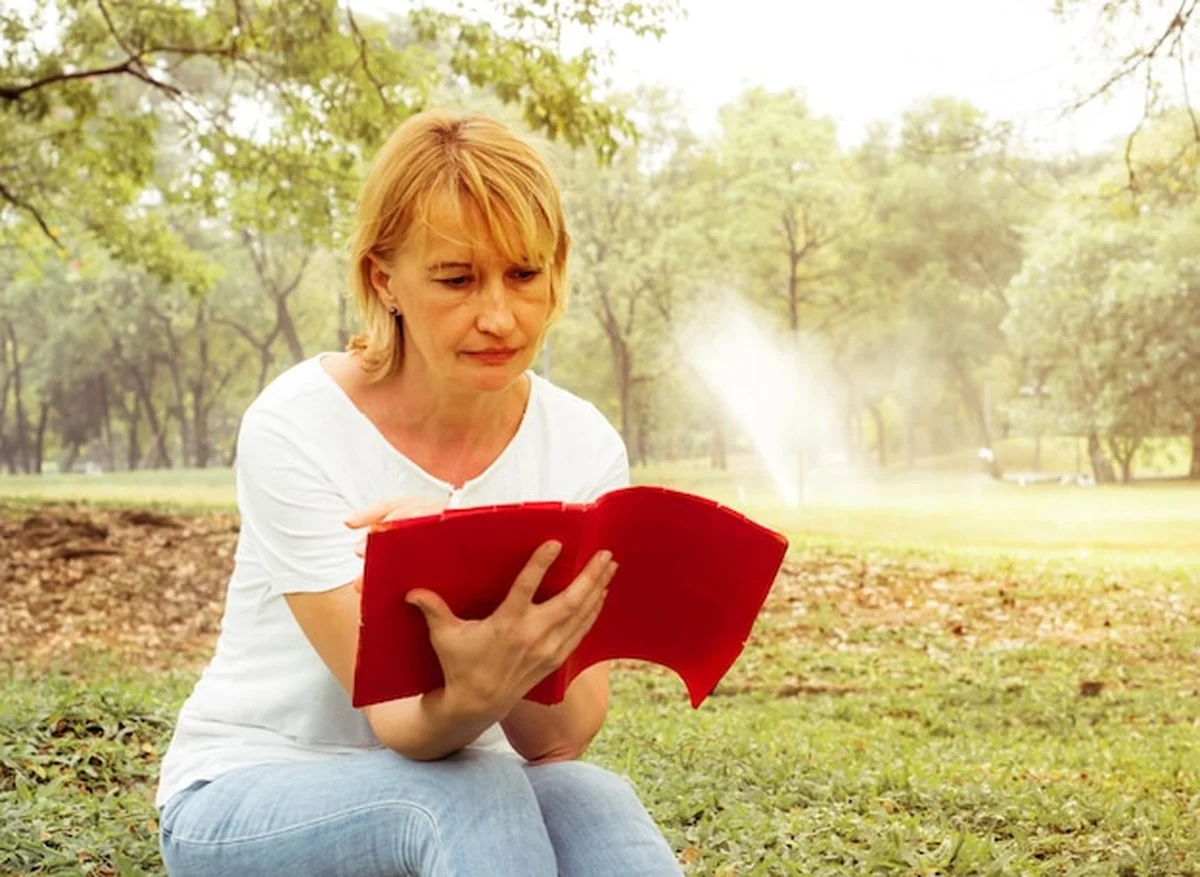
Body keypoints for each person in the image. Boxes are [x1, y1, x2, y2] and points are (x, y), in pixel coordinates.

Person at [155, 110, 683, 876]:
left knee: (591, 795)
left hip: (477, 774)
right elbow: (404, 723)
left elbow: (558, 736)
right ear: (383, 279)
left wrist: (501, 637)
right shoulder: (296, 424)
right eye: (457, 278)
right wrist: (457, 576)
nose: (499, 315)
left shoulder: (582, 444)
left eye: (525, 274)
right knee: (467, 791)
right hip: (248, 787)